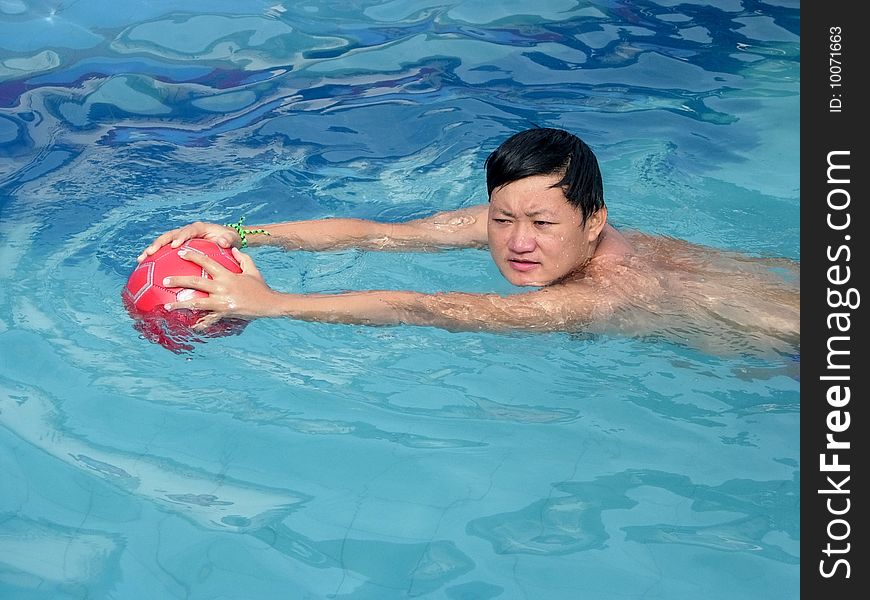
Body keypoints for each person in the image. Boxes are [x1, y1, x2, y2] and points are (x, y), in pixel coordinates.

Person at [137, 128, 799, 356]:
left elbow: (431, 308)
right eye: (502, 219)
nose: (516, 242)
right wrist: (241, 233)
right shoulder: (530, 217)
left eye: (543, 226)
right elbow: (381, 235)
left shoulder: (598, 294)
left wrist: (273, 303)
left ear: (595, 221)